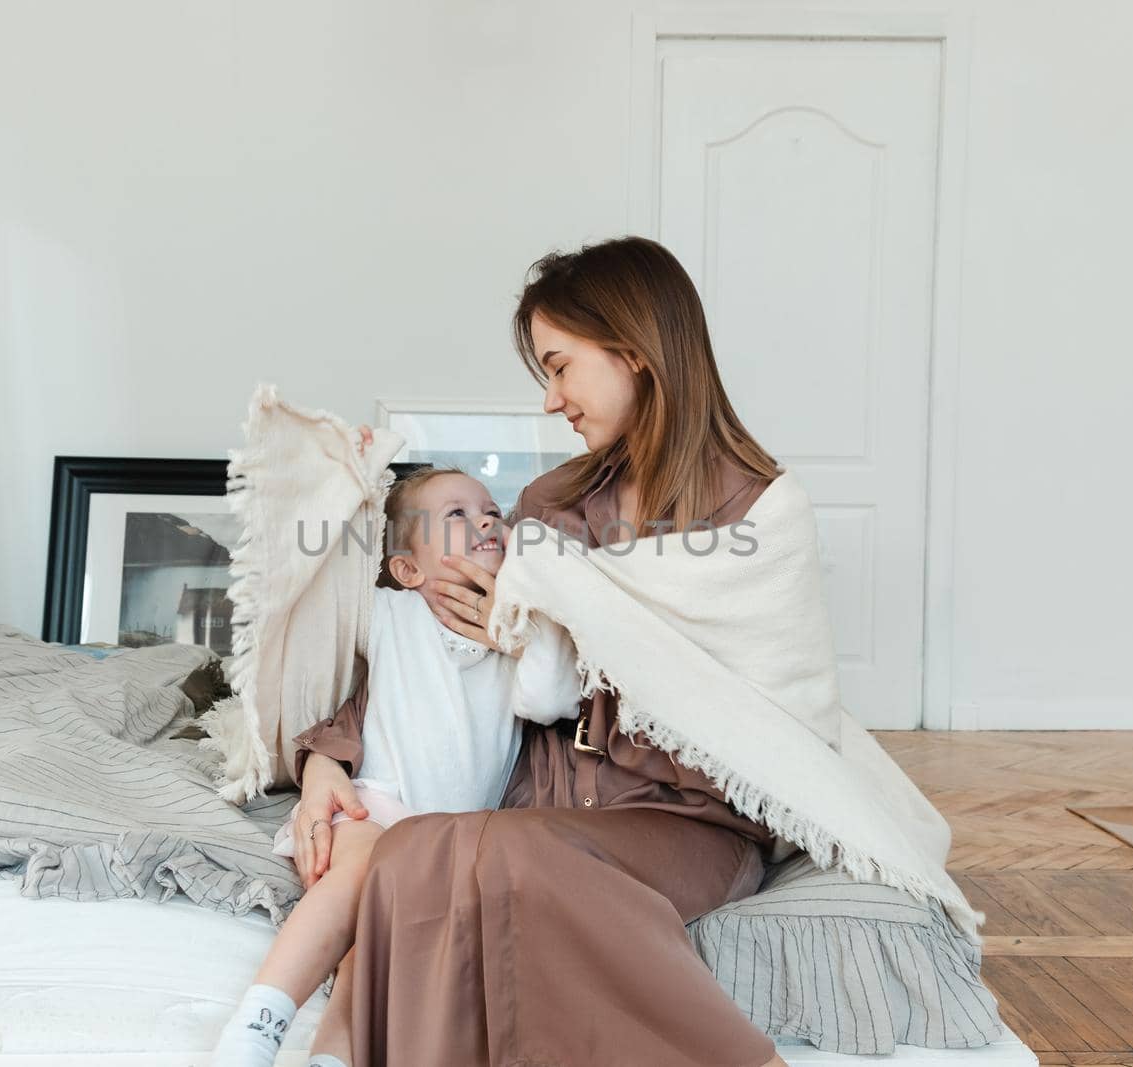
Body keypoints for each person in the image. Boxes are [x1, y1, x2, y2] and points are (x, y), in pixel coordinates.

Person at [292, 236, 794, 1067]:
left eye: (561, 367)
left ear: (632, 351)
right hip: (544, 806)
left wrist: (539, 636)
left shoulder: (759, 510)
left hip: (685, 820)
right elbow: (427, 653)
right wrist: (325, 761)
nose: (554, 399)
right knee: (414, 848)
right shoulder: (547, 505)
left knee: (508, 858)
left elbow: (758, 712)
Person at [210, 466, 584, 1067]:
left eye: (492, 510)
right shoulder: (394, 613)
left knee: (385, 932)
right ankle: (254, 1028)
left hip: (448, 840)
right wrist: (349, 472)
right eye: (457, 515)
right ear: (409, 569)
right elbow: (312, 574)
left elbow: (556, 695)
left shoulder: (523, 630)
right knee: (359, 876)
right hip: (374, 802)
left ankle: (334, 1055)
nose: (486, 519)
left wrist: (516, 625)